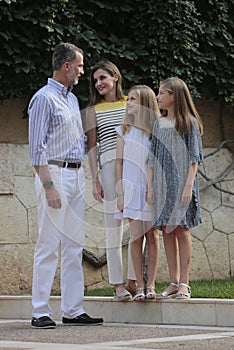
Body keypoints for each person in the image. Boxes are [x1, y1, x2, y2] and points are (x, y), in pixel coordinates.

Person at [28, 42, 103, 328]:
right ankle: (40, 311)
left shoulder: (72, 100)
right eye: (81, 66)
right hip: (54, 174)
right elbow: (36, 149)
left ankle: (73, 309)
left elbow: (80, 144)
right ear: (66, 66)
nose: (83, 72)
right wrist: (49, 186)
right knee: (48, 243)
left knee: (74, 245)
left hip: (76, 175)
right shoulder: (44, 98)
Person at [146, 77, 203, 299]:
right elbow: (152, 159)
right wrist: (150, 187)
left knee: (182, 230)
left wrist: (188, 186)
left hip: (181, 185)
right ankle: (172, 281)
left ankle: (184, 284)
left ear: (174, 96)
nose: (158, 97)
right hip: (162, 186)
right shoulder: (158, 124)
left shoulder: (188, 123)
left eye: (161, 93)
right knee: (168, 231)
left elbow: (194, 159)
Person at [86, 60, 136, 301]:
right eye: (95, 80)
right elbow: (92, 147)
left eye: (103, 78)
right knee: (113, 227)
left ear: (115, 76)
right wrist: (95, 179)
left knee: (138, 225)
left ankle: (135, 281)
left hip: (134, 167)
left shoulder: (131, 103)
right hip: (107, 167)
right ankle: (117, 285)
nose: (99, 84)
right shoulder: (92, 111)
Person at [115, 85, 160, 301]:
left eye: (133, 99)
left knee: (152, 235)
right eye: (128, 98)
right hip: (131, 188)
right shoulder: (123, 130)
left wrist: (154, 188)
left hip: (150, 190)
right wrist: (121, 192)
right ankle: (139, 286)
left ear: (145, 104)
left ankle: (151, 284)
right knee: (135, 236)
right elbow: (119, 163)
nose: (128, 102)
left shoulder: (156, 131)